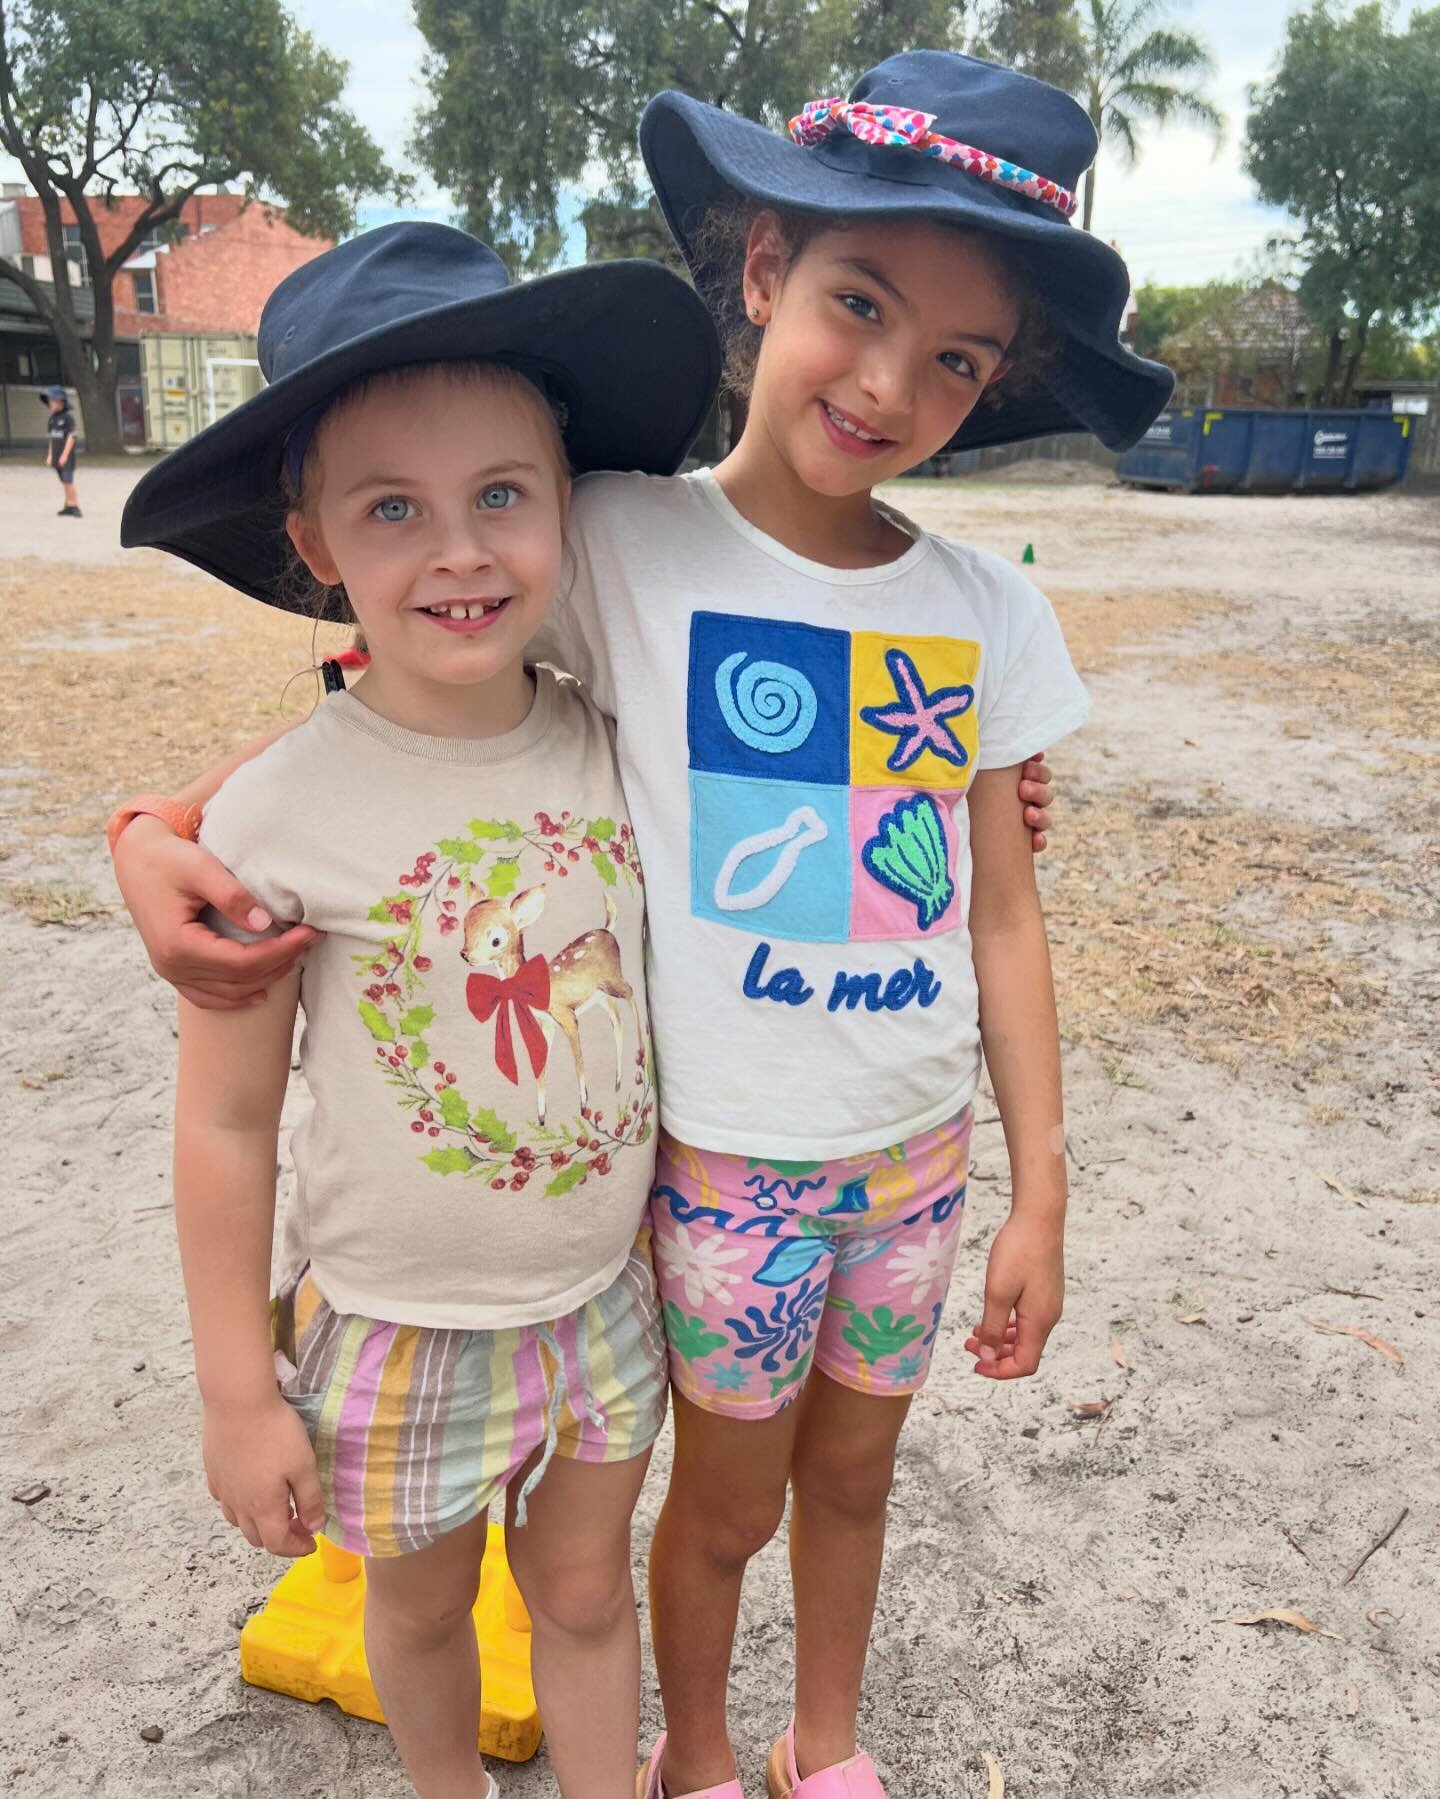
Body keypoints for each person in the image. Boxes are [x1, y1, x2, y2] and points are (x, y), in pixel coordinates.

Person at [110, 51, 1171, 1799]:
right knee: (729, 1497)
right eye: (858, 302)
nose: (895, 377)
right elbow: (393, 705)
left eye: (960, 358)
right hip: (718, 1169)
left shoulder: (985, 610)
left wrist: (1040, 1184)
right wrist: (155, 826)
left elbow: (1001, 912)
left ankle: (824, 1742)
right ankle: (689, 1751)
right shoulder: (616, 540)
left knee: (858, 1478)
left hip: (917, 1158)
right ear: (762, 273)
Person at [115, 221, 720, 1799]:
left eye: (499, 496)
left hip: (604, 1292)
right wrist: (236, 1388)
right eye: (395, 508)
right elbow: (226, 1113)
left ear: (565, 512)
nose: (459, 551)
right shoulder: (275, 810)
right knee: (426, 1605)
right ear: (313, 540)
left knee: (585, 1596)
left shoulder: (619, 737)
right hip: (395, 1327)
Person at [43, 384, 80, 516]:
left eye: (53, 400)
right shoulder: (52, 419)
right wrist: (50, 455)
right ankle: (68, 505)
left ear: (60, 402)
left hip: (66, 457)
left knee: (68, 481)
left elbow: (71, 437)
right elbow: (52, 440)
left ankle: (75, 506)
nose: (51, 403)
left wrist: (64, 455)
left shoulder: (68, 418)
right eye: (50, 401)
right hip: (56, 455)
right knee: (63, 482)